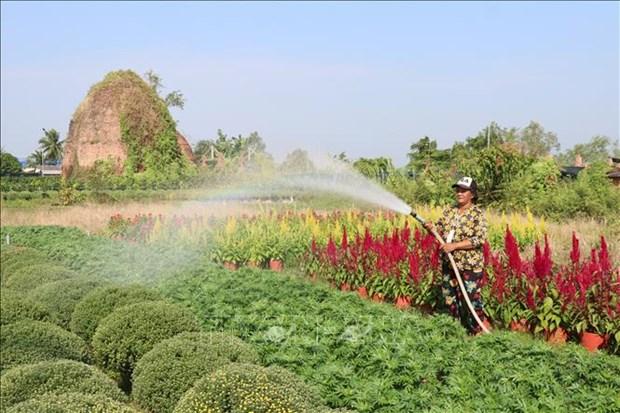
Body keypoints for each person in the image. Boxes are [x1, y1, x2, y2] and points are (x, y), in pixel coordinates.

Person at [424, 176, 490, 334]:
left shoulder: (477, 214)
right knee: (450, 297)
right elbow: (438, 230)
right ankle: (456, 329)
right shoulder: (449, 211)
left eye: (463, 191)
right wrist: (430, 227)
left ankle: (477, 331)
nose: (459, 193)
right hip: (449, 264)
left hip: (469, 266)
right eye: (457, 190)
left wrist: (455, 246)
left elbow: (479, 239)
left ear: (472, 194)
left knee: (471, 300)